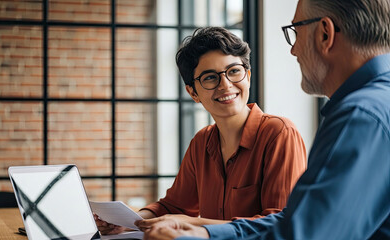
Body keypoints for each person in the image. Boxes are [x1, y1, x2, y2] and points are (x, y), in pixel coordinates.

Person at [139, 0, 390, 239]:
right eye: (210, 77)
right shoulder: (373, 106)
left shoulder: (360, 115)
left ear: (325, 33)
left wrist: (196, 231)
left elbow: (300, 232)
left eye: (296, 31)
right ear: (192, 91)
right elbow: (295, 224)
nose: (293, 49)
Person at [96, 27, 307, 235]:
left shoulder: (279, 133)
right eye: (210, 77)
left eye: (234, 71)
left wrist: (192, 225)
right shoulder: (202, 141)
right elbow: (174, 207)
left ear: (248, 76)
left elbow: (280, 224)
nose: (225, 85)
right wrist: (127, 222)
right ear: (193, 92)